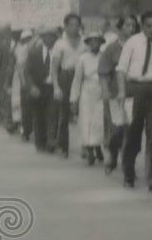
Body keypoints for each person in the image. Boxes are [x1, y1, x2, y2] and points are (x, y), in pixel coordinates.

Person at [117, 10, 152, 191]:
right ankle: (128, 175)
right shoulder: (132, 43)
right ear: (142, 25)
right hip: (135, 89)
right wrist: (122, 92)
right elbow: (122, 70)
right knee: (132, 133)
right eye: (148, 26)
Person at [99, 15, 139, 174]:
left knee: (132, 130)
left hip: (135, 94)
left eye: (134, 25)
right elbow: (103, 73)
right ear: (120, 28)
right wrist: (105, 91)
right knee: (117, 129)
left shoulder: (140, 46)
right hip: (116, 94)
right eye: (128, 25)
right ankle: (112, 150)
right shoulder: (111, 49)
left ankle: (129, 167)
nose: (131, 28)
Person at [50, 13, 85, 157]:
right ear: (65, 26)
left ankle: (86, 146)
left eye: (76, 25)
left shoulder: (84, 42)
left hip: (82, 78)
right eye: (71, 25)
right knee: (64, 114)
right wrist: (56, 87)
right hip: (65, 77)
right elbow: (54, 68)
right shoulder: (60, 43)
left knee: (83, 112)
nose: (74, 28)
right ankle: (64, 147)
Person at [70, 31, 107, 166]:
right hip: (87, 91)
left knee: (99, 121)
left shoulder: (104, 57)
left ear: (101, 43)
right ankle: (89, 150)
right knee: (86, 120)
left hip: (101, 90)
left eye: (97, 41)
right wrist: (74, 98)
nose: (94, 44)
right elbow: (77, 79)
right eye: (92, 41)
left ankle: (98, 147)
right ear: (88, 43)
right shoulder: (83, 58)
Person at [22, 26, 60, 153]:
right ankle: (40, 141)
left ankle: (51, 140)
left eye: (52, 37)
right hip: (38, 88)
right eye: (46, 37)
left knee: (52, 114)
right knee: (38, 115)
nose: (49, 39)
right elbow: (27, 72)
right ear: (42, 38)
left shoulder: (59, 51)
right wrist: (31, 86)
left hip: (53, 87)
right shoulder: (34, 52)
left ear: (55, 39)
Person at [13, 29, 35, 142]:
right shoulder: (20, 49)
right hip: (23, 79)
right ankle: (25, 129)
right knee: (24, 104)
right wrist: (23, 81)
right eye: (26, 39)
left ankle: (28, 128)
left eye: (29, 39)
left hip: (32, 78)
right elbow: (20, 66)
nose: (28, 41)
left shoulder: (33, 48)